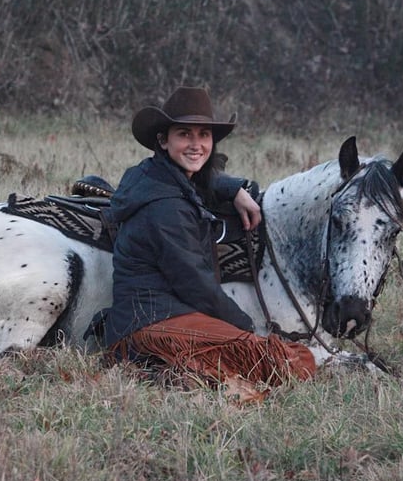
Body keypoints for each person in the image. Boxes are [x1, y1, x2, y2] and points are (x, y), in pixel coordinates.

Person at [98, 86, 315, 403]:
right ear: (163, 140)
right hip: (155, 322)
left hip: (151, 319)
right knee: (294, 361)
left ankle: (175, 372)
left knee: (279, 355)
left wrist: (233, 188)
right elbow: (195, 284)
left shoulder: (151, 177)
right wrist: (247, 329)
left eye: (204, 135)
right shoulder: (166, 208)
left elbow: (199, 180)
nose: (196, 145)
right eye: (184, 134)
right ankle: (174, 369)